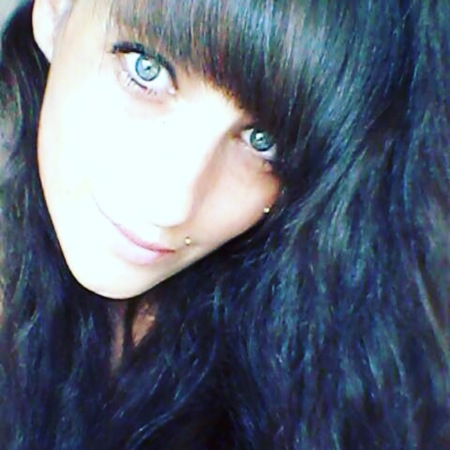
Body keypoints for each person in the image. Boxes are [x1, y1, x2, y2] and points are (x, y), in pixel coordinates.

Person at [0, 0, 448, 448]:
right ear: (57, 11)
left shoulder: (309, 361)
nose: (170, 207)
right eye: (146, 70)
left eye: (262, 141)